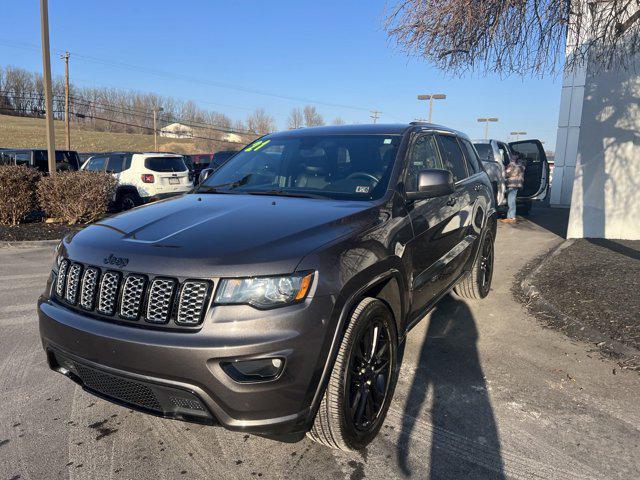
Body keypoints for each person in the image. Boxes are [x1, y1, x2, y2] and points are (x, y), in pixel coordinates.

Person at [500, 153, 526, 223]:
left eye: (513, 156)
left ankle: (511, 217)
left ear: (517, 157)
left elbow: (508, 173)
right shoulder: (520, 165)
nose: (511, 157)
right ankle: (510, 217)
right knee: (510, 201)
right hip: (515, 185)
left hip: (513, 185)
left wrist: (506, 168)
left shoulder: (515, 166)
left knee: (511, 202)